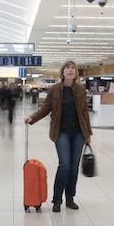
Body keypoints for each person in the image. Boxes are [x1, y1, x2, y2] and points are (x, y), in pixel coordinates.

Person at [25, 60, 93, 213]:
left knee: (73, 167)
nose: (70, 70)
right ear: (62, 72)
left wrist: (88, 133)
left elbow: (84, 113)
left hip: (78, 133)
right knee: (65, 165)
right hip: (61, 132)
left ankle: (70, 198)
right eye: (67, 68)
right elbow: (46, 108)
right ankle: (57, 199)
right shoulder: (55, 89)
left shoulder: (80, 90)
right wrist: (32, 118)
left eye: (73, 68)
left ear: (75, 73)